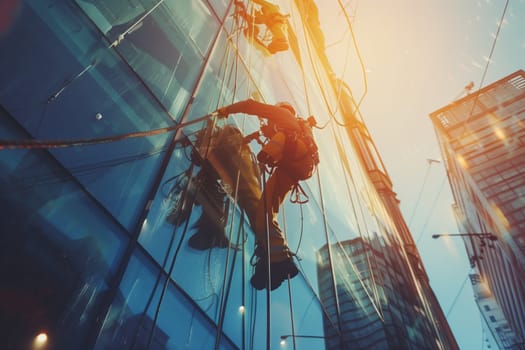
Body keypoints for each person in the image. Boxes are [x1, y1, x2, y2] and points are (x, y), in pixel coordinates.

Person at [216, 99, 319, 290]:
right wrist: (243, 141)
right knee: (265, 211)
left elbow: (252, 105)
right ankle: (273, 261)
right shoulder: (288, 127)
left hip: (294, 155)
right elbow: (261, 133)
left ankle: (280, 260)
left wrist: (227, 110)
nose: (267, 123)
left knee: (281, 138)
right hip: (294, 167)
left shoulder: (285, 118)